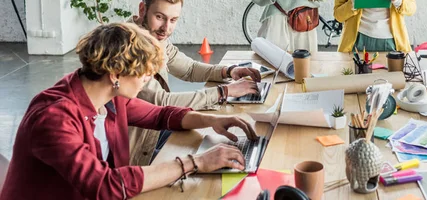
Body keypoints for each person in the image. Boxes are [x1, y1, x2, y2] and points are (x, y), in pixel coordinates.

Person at [0, 23, 256, 200]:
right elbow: (104, 186)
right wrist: (196, 162)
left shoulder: (108, 96)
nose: (148, 78)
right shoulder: (53, 118)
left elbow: (159, 115)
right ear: (115, 75)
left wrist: (212, 119)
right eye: (144, 72)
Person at [129, 0, 261, 166]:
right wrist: (224, 92)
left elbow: (189, 69)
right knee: (206, 158)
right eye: (159, 17)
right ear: (142, 10)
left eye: (173, 20)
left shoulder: (154, 37)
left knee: (217, 141)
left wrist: (228, 71)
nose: (166, 28)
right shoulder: (129, 48)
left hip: (154, 131)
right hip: (138, 150)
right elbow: (161, 102)